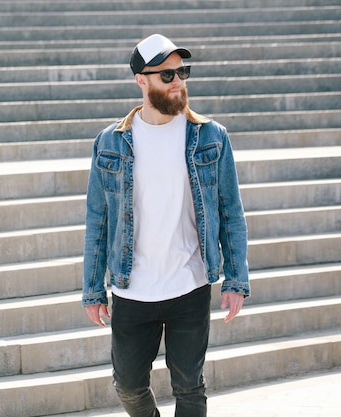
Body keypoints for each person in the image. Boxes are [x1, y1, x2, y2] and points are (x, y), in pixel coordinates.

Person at [82, 34, 250, 417]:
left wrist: (236, 280)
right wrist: (92, 289)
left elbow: (230, 211)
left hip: (188, 286)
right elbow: (98, 219)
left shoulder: (210, 137)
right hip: (131, 289)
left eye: (183, 72)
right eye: (167, 75)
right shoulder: (110, 142)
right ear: (141, 80)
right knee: (127, 386)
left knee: (190, 386)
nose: (179, 82)